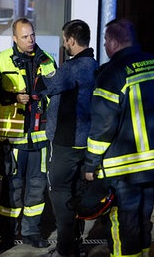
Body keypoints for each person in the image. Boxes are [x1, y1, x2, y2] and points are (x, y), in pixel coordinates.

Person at [84, 18, 154, 257]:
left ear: (114, 42)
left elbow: (103, 126)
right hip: (153, 164)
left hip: (122, 169)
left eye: (105, 40)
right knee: (143, 221)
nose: (104, 45)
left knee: (123, 227)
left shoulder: (112, 73)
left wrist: (91, 163)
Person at [0, 17, 57, 250]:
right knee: (11, 190)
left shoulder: (47, 61)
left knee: (37, 188)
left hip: (39, 137)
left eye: (32, 35)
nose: (30, 40)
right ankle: (6, 235)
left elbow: (56, 95)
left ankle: (31, 232)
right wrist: (13, 97)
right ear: (14, 38)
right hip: (13, 138)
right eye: (25, 36)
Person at [39, 20, 98, 257]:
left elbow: (49, 85)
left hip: (65, 142)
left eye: (64, 39)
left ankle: (65, 249)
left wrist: (43, 65)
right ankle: (75, 244)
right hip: (87, 142)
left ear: (71, 40)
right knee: (77, 193)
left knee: (61, 192)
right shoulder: (96, 66)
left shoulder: (73, 67)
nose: (64, 43)